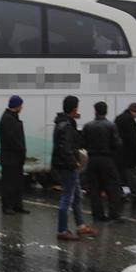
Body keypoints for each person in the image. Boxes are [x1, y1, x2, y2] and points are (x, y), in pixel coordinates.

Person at [52, 96, 97, 241]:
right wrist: (74, 163)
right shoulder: (66, 125)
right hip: (68, 166)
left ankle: (80, 226)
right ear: (74, 108)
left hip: (67, 165)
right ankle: (62, 230)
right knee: (67, 197)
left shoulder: (63, 123)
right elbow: (65, 148)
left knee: (77, 195)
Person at [83, 101, 123, 222]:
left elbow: (83, 143)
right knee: (112, 187)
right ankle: (114, 214)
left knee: (95, 189)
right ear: (106, 111)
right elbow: (117, 143)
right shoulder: (111, 126)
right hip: (107, 159)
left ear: (95, 111)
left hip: (93, 159)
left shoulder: (88, 126)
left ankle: (98, 215)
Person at [0, 95, 29, 215]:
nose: (22, 107)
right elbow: (12, 139)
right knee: (9, 184)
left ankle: (17, 205)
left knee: (17, 183)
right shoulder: (7, 119)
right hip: (10, 158)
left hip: (16, 158)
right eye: (21, 105)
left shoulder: (12, 118)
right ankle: (7, 206)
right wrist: (21, 149)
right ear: (17, 105)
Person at [114, 103, 136, 202]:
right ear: (134, 111)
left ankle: (119, 193)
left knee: (118, 174)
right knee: (132, 174)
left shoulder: (119, 118)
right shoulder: (129, 120)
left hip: (119, 152)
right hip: (129, 153)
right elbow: (132, 138)